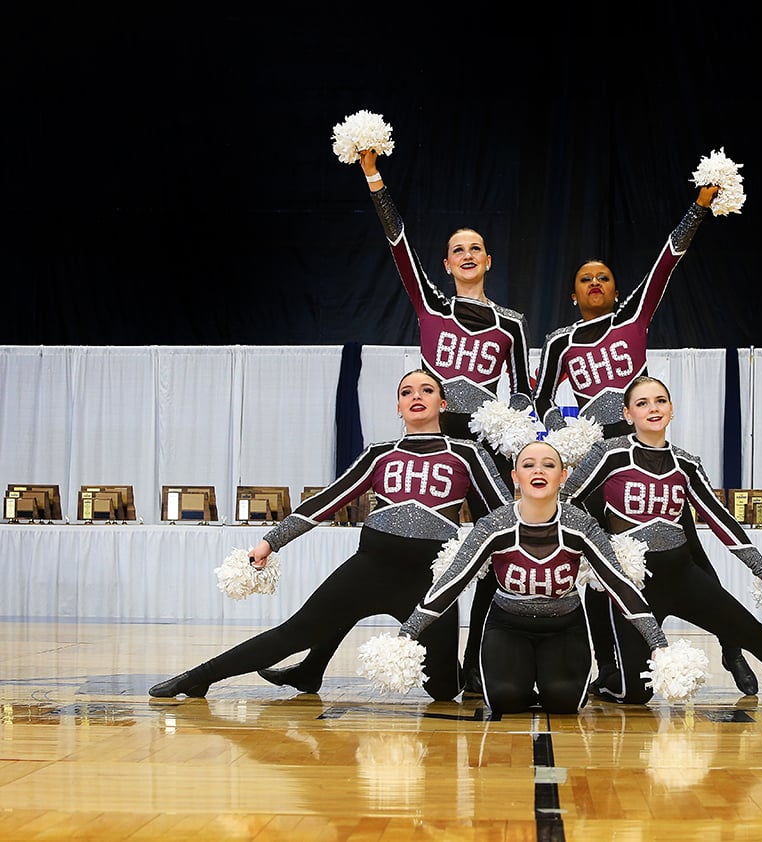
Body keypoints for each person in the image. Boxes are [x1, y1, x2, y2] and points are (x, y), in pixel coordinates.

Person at [148, 368, 512, 700]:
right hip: (371, 566)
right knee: (294, 632)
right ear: (398, 407)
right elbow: (325, 501)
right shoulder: (379, 454)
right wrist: (270, 541)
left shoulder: (467, 453)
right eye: (406, 392)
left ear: (442, 403)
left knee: (444, 690)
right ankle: (197, 677)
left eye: (426, 390)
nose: (416, 396)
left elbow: (505, 513)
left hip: (431, 579)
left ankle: (312, 669)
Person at [532, 183, 759, 696]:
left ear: (616, 290)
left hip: (646, 446)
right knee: (592, 560)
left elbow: (667, 261)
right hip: (597, 460)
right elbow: (539, 399)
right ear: (573, 294)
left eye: (604, 278)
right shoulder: (559, 343)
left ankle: (732, 649)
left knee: (695, 557)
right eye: (585, 279)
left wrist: (698, 208)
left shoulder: (633, 319)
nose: (595, 283)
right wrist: (561, 436)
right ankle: (609, 669)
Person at [561, 375, 762, 704]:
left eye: (660, 401)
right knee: (636, 695)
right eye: (642, 403)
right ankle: (606, 683)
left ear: (672, 409)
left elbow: (720, 519)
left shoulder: (686, 463)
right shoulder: (609, 454)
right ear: (628, 415)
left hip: (682, 575)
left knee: (755, 634)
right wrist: (598, 550)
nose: (653, 408)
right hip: (634, 584)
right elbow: (565, 501)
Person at [360, 148, 534, 694]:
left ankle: (478, 664)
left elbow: (525, 392)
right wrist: (373, 175)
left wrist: (515, 427)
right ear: (445, 264)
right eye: (456, 249)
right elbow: (398, 246)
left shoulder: (512, 323)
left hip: (483, 443)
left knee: (501, 546)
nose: (466, 254)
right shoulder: (433, 308)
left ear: (488, 262)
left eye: (475, 249)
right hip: (433, 435)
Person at [397, 440, 670, 716]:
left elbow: (618, 583)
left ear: (562, 476)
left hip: (564, 627)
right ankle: (519, 678)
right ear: (516, 477)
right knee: (504, 700)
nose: (538, 471)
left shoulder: (581, 525)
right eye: (528, 465)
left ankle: (551, 679)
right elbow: (453, 581)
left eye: (548, 465)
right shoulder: (494, 525)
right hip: (507, 626)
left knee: (565, 702)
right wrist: (408, 633)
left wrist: (658, 644)